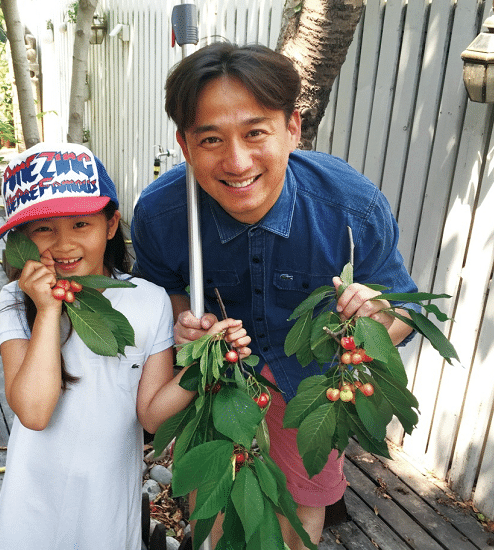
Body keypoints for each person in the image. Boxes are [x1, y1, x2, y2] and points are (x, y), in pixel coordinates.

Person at [130, 42, 419, 549]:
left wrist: (375, 319)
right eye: (212, 139)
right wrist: (183, 322)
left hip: (310, 390)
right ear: (184, 145)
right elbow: (161, 291)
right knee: (217, 517)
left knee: (298, 516)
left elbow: (406, 310)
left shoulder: (349, 206)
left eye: (255, 132)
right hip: (216, 388)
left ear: (293, 128)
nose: (237, 161)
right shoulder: (161, 214)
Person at [0, 142, 251, 550]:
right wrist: (46, 311)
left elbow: (151, 417)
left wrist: (205, 361)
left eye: (81, 224)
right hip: (33, 497)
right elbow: (34, 412)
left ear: (110, 225)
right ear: (21, 238)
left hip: (108, 501)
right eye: (43, 229)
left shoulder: (148, 300)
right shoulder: (15, 301)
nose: (64, 245)